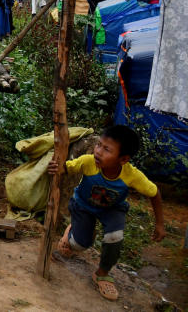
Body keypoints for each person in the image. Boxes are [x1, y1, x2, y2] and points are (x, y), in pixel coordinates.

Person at [47, 125, 165, 302]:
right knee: (79, 245)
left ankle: (102, 274)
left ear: (123, 159)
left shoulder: (132, 175)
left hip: (112, 209)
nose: (98, 152)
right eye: (99, 145)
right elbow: (67, 168)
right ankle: (72, 232)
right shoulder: (88, 162)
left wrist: (160, 224)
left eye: (106, 149)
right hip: (83, 206)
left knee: (115, 237)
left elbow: (154, 193)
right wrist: (57, 167)